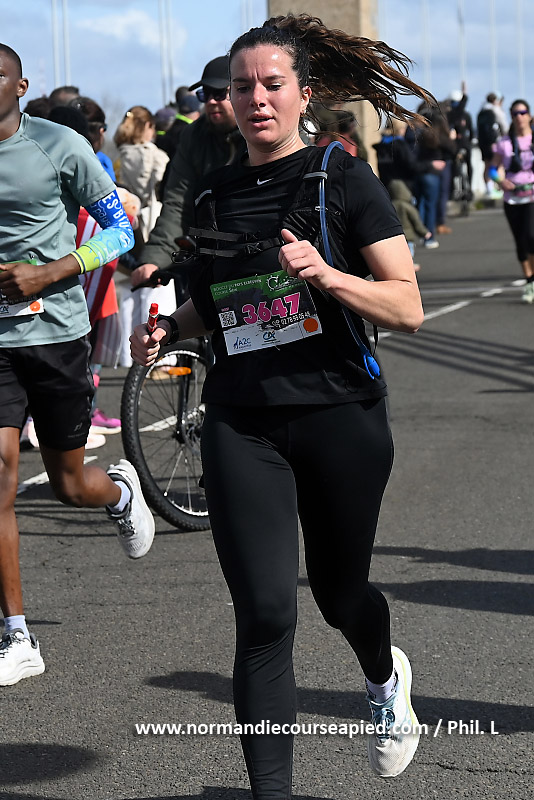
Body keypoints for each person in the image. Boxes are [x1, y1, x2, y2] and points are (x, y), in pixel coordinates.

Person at [131, 14, 429, 797]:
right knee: (265, 615)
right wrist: (167, 329)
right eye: (243, 87)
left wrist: (327, 275)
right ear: (226, 100)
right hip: (242, 420)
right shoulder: (215, 196)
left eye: (272, 84)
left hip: (340, 415)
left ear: (303, 93)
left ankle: (383, 676)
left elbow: (406, 306)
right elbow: (215, 302)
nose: (257, 99)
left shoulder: (341, 178)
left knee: (338, 596)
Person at [0, 44, 155, 686]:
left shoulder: (58, 145)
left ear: (20, 86)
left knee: (69, 484)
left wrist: (51, 272)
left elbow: (121, 231)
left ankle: (118, 492)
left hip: (56, 335)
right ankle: (17, 634)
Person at [131, 56, 246, 299]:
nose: (212, 102)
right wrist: (153, 260)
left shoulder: (260, 132)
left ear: (242, 91)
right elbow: (177, 203)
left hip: (262, 261)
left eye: (220, 93)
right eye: (205, 94)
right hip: (209, 261)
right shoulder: (193, 136)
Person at [113, 105, 174, 366]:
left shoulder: (118, 156)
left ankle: (127, 356)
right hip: (151, 223)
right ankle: (161, 356)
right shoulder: (156, 155)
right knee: (155, 288)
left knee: (128, 289)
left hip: (125, 222)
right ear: (148, 126)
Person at [490, 99, 534, 303]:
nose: (519, 117)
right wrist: (500, 181)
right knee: (520, 241)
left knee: (531, 236)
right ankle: (529, 280)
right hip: (513, 198)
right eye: (515, 114)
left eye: (523, 113)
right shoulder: (505, 143)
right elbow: (492, 169)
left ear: (529, 116)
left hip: (531, 195)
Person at [388, 179, 432, 270]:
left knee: (397, 253)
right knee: (409, 252)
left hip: (394, 235)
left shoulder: (389, 206)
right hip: (408, 236)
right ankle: (409, 266)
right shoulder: (408, 206)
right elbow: (416, 221)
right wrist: (424, 232)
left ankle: (398, 266)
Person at [477, 92, 507, 196]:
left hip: (483, 143)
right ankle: (501, 188)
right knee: (498, 166)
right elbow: (503, 126)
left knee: (487, 165)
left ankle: (489, 189)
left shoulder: (481, 111)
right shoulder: (495, 110)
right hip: (495, 142)